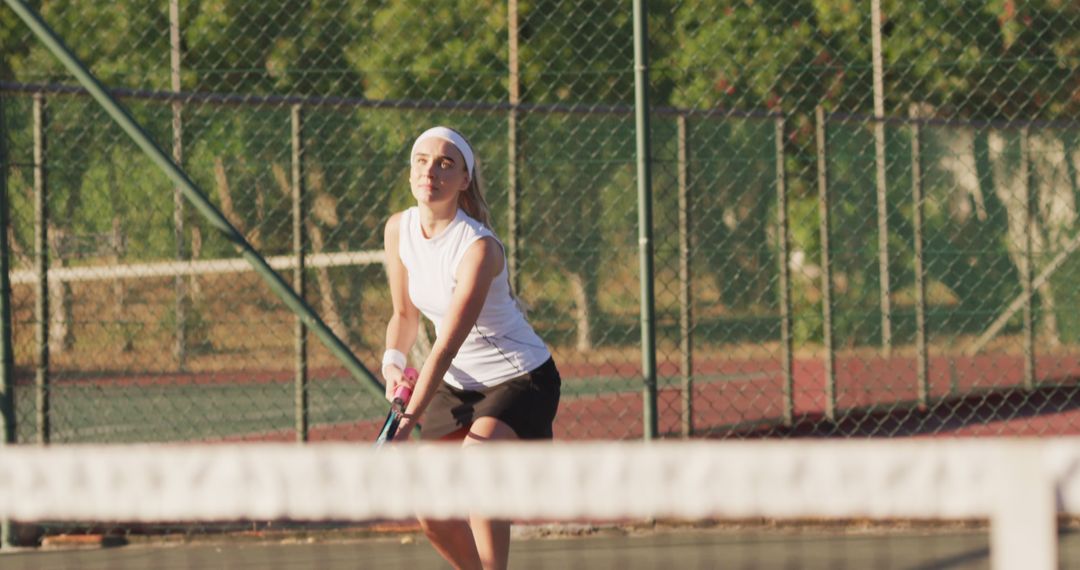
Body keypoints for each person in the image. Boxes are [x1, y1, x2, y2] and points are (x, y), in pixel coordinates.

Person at [380, 126, 562, 570]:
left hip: (520, 379)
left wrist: (406, 423)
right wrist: (392, 364)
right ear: (410, 173)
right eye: (422, 160)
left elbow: (443, 347)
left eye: (446, 163)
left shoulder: (478, 248)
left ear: (464, 179)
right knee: (432, 508)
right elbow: (404, 316)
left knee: (478, 467)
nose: (431, 171)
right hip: (455, 387)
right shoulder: (397, 230)